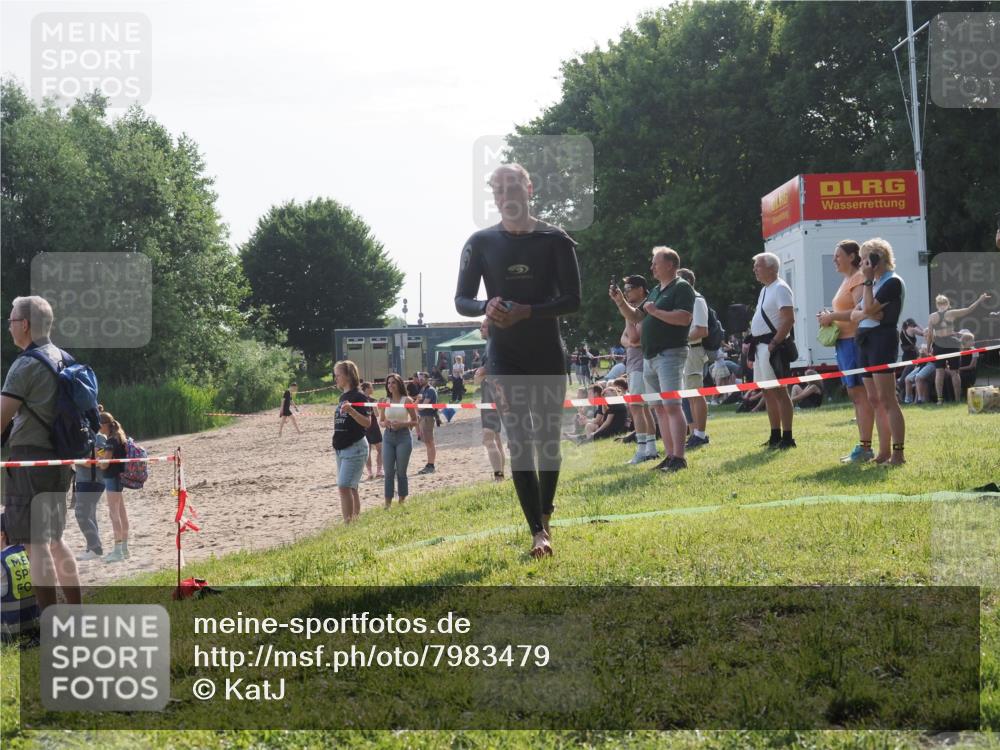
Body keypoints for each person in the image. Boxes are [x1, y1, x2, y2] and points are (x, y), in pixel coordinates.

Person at [455, 162, 581, 557]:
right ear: (494, 196)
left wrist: (529, 311)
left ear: (529, 188)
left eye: (513, 186)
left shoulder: (555, 239)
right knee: (520, 442)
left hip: (547, 353)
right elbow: (461, 300)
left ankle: (545, 510)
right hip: (504, 356)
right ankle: (537, 532)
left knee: (548, 442)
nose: (506, 194)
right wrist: (485, 306)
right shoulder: (480, 242)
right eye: (499, 189)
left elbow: (573, 300)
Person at [0, 296, 82, 610]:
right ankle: (75, 612)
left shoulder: (25, 365)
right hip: (60, 459)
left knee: (35, 545)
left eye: (10, 321)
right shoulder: (65, 359)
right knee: (55, 540)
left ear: (24, 325)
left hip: (30, 460)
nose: (8, 327)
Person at [612, 247, 695, 472]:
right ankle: (669, 456)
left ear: (670, 265)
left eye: (655, 263)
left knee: (672, 406)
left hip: (670, 353)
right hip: (650, 357)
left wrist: (656, 312)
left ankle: (679, 458)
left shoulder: (682, 287)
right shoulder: (657, 290)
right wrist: (620, 302)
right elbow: (636, 316)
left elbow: (684, 318)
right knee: (659, 408)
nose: (651, 267)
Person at [817, 240, 875, 463]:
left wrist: (831, 316)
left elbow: (861, 311)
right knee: (855, 396)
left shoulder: (859, 277)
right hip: (843, 343)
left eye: (838, 255)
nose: (834, 260)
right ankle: (864, 445)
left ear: (852, 256)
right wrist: (829, 317)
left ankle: (866, 447)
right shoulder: (846, 280)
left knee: (860, 396)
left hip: (853, 342)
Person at [851, 238, 906, 465]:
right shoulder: (874, 284)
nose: (861, 264)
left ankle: (898, 453)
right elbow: (854, 314)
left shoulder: (891, 282)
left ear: (877, 259)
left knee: (887, 398)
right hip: (865, 340)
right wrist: (869, 311)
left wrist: (867, 284)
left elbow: (869, 308)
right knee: (874, 399)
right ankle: (883, 452)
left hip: (882, 340)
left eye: (865, 259)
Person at [748, 253, 797, 449]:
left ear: (772, 268)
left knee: (780, 391)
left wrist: (775, 343)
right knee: (767, 392)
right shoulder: (765, 290)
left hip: (772, 347)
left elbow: (788, 319)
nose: (755, 269)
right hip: (761, 347)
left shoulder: (780, 288)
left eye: (758, 266)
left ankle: (787, 437)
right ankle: (775, 435)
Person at [613, 275, 659, 464]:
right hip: (634, 363)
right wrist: (630, 342)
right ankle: (651, 449)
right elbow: (623, 338)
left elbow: (632, 338)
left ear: (641, 289)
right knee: (643, 408)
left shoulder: (645, 308)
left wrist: (631, 340)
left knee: (637, 407)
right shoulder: (632, 310)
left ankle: (642, 450)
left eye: (629, 288)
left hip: (641, 364)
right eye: (624, 290)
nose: (625, 293)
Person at [926, 292, 992, 404]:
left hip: (939, 345)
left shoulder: (932, 316)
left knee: (939, 372)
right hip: (952, 344)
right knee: (955, 373)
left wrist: (928, 348)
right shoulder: (951, 313)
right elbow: (969, 309)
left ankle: (940, 400)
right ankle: (957, 399)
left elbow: (930, 335)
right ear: (947, 304)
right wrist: (980, 300)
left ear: (937, 304)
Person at [332, 360, 371, 523]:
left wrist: (352, 411)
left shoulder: (359, 396)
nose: (335, 378)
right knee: (351, 487)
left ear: (348, 376)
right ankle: (354, 521)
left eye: (338, 375)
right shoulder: (343, 396)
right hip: (341, 448)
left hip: (355, 447)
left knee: (344, 486)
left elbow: (367, 423)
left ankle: (348, 523)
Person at [676, 268, 711, 449]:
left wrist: (679, 338)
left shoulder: (697, 300)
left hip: (694, 350)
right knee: (690, 395)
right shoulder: (688, 301)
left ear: (688, 282)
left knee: (696, 394)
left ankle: (701, 434)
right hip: (687, 350)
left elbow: (702, 330)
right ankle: (695, 433)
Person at [96, 411, 131, 562]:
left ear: (105, 425)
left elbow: (105, 464)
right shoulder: (119, 437)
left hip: (112, 478)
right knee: (121, 513)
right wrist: (101, 457)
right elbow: (108, 456)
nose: (98, 428)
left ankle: (118, 551)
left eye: (99, 425)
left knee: (114, 514)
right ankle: (124, 549)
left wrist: (98, 462)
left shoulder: (111, 440)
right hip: (118, 478)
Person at [474, 320, 506, 481]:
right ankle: (501, 476)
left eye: (484, 326)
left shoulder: (495, 346)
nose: (480, 329)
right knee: (496, 438)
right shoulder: (491, 346)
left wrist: (484, 371)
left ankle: (499, 477)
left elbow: (489, 372)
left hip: (494, 396)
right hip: (493, 395)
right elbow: (479, 378)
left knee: (488, 438)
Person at [378, 373, 416, 507]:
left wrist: (402, 424)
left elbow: (415, 421)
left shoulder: (407, 400)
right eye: (388, 383)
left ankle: (402, 501)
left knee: (401, 471)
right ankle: (387, 503)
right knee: (388, 472)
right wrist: (385, 423)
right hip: (388, 437)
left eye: (393, 382)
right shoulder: (385, 401)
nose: (390, 385)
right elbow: (381, 421)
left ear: (399, 384)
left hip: (403, 436)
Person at [1, 514, 40, 642]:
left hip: (10, 629)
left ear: (2, 535)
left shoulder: (2, 559)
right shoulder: (28, 551)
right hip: (33, 621)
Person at [72, 429, 107, 561]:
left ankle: (95, 548)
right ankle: (93, 547)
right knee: (90, 514)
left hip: (92, 482)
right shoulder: (80, 436)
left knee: (81, 514)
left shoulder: (99, 437)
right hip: (84, 481)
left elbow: (98, 460)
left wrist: (78, 460)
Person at [360, 382, 384, 481]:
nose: (372, 389)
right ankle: (378, 471)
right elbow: (377, 414)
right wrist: (377, 406)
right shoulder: (371, 400)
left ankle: (371, 472)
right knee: (379, 449)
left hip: (365, 427)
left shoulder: (360, 399)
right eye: (371, 387)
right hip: (372, 427)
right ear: (366, 389)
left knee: (369, 451)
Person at [415, 372, 438, 475]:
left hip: (428, 418)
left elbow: (422, 406)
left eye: (422, 379)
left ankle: (431, 465)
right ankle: (429, 464)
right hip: (423, 417)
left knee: (429, 442)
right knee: (427, 442)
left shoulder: (430, 390)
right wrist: (417, 402)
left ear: (427, 379)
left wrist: (416, 405)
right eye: (419, 378)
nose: (420, 380)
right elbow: (417, 405)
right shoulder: (423, 390)